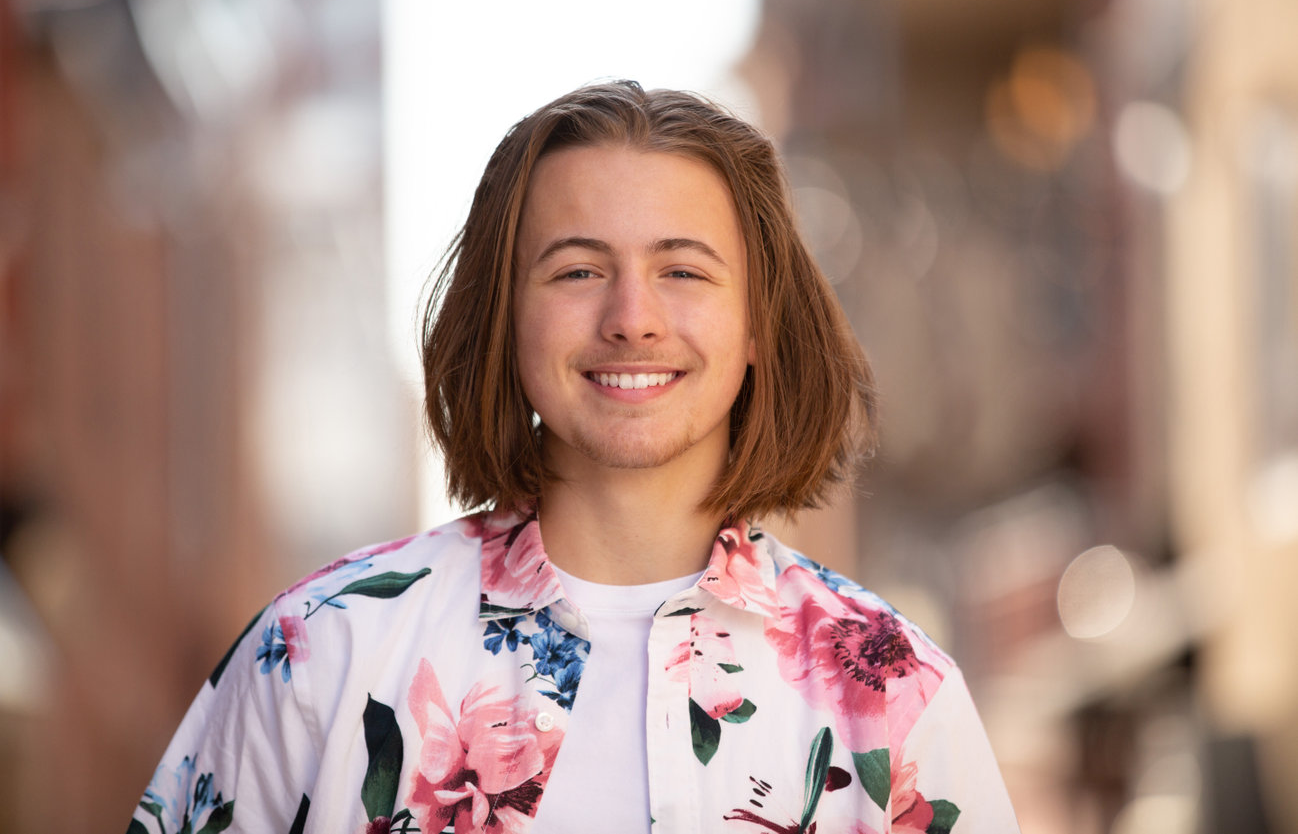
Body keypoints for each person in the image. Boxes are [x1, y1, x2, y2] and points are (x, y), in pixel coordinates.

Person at [128, 81, 1020, 834]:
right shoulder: (319, 656)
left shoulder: (896, 696)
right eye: (578, 270)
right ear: (506, 319)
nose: (632, 318)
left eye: (683, 270)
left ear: (757, 325)